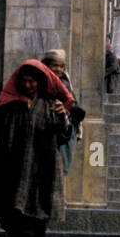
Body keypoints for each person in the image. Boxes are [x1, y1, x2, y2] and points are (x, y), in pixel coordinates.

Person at [0, 60, 73, 237]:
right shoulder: (11, 104)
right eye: (24, 80)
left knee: (39, 217)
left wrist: (63, 119)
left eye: (32, 81)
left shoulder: (51, 104)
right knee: (8, 215)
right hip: (12, 166)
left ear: (40, 82)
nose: (28, 85)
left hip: (43, 169)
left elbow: (63, 137)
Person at [42, 48, 86, 178]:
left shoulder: (64, 84)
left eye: (61, 66)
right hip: (44, 131)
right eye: (55, 65)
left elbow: (75, 108)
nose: (59, 70)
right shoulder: (39, 82)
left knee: (59, 171)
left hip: (63, 132)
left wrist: (66, 114)